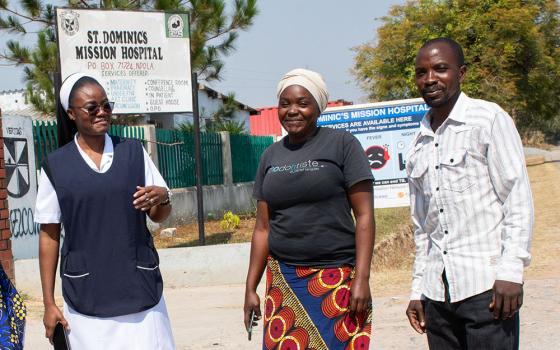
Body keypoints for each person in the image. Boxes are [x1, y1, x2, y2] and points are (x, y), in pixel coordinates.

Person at [405, 38, 534, 349]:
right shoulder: (418, 144)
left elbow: (516, 198)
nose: (430, 79)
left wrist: (511, 271)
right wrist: (417, 290)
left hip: (486, 288)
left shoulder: (487, 120)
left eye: (440, 69)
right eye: (422, 73)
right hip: (438, 294)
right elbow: (423, 228)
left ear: (461, 73)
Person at [35, 73, 175, 349]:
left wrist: (163, 198)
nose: (102, 112)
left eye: (106, 105)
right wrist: (49, 303)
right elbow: (49, 235)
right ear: (71, 113)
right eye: (92, 107)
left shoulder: (133, 152)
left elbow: (158, 215)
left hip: (140, 293)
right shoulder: (56, 166)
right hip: (87, 298)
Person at [243, 68, 375, 349]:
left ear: (318, 107)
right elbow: (263, 228)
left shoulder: (342, 145)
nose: (293, 110)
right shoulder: (270, 155)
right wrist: (250, 288)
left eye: (302, 103)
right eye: (285, 103)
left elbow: (364, 216)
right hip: (285, 281)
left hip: (335, 279)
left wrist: (361, 278)